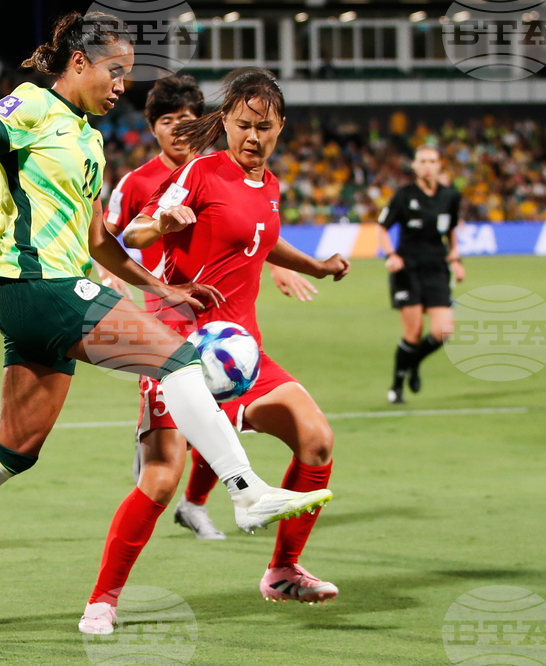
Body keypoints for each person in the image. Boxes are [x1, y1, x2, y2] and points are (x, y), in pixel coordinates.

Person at [0, 14, 332, 630]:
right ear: (78, 63)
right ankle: (246, 491)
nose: (120, 86)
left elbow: (99, 240)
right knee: (179, 361)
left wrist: (161, 286)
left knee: (15, 448)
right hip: (41, 286)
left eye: (127, 76)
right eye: (114, 72)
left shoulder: (89, 138)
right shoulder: (30, 104)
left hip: (46, 302)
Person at [79, 68, 351, 635]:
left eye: (266, 127)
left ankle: (283, 571)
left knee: (317, 437)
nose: (254, 137)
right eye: (245, 124)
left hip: (240, 355)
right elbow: (134, 235)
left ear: (281, 128)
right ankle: (102, 601)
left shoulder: (270, 185)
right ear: (225, 121)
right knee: (160, 479)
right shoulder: (201, 172)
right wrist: (165, 220)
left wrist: (318, 265)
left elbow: (264, 241)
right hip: (177, 343)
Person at [102, 74, 318, 541]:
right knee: (163, 471)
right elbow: (116, 235)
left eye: (185, 119)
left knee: (226, 416)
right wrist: (114, 273)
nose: (178, 129)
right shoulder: (150, 181)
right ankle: (102, 599)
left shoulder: (236, 175)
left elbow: (256, 234)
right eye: (167, 120)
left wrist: (288, 266)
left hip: (224, 330)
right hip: (170, 322)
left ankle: (205, 505)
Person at [376, 146, 464, 404]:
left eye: (432, 161)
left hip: (437, 269)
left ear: (440, 166)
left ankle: (413, 362)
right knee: (413, 333)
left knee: (443, 330)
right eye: (423, 161)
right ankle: (397, 385)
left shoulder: (450, 196)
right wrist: (391, 255)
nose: (428, 166)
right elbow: (382, 229)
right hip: (408, 270)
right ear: (414, 166)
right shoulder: (404, 196)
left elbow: (452, 231)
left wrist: (456, 258)